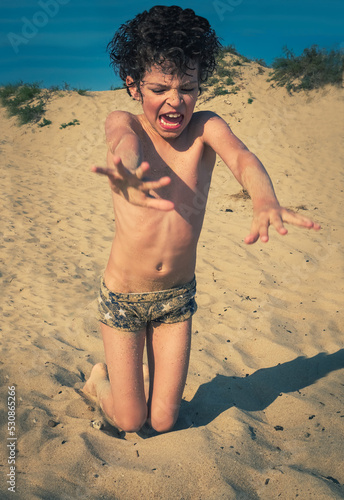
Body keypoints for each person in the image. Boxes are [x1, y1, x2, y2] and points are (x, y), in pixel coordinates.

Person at [82, 5, 320, 433]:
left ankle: (138, 390)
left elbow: (242, 157)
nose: (175, 100)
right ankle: (100, 382)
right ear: (133, 85)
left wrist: (264, 197)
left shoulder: (206, 127)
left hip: (176, 298)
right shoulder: (126, 123)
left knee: (164, 418)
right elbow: (121, 143)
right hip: (123, 299)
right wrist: (129, 172)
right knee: (132, 420)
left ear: (198, 85)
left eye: (187, 87)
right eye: (160, 88)